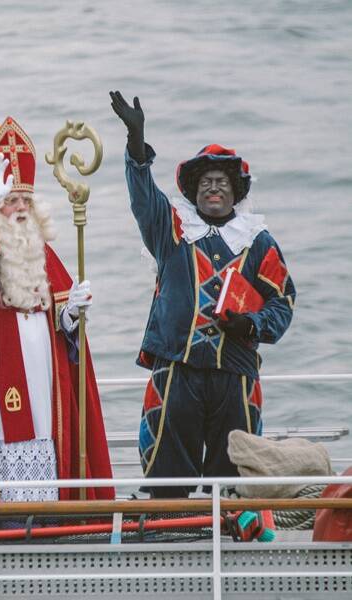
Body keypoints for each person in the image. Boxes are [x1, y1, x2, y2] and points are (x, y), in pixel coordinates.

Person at [110, 91, 296, 498]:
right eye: (207, 183)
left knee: (235, 470)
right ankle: (169, 536)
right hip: (177, 367)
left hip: (236, 370)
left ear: (236, 192)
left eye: (222, 183)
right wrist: (136, 142)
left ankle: (233, 538)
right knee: (167, 469)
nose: (214, 189)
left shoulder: (259, 242)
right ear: (194, 191)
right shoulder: (171, 230)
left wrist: (251, 323)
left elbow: (282, 301)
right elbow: (143, 199)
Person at [0, 117, 114, 503]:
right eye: (10, 200)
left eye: (25, 200)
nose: (20, 208)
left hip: (44, 382)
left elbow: (64, 334)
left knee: (45, 440)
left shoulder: (44, 255)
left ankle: (45, 518)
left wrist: (71, 315)